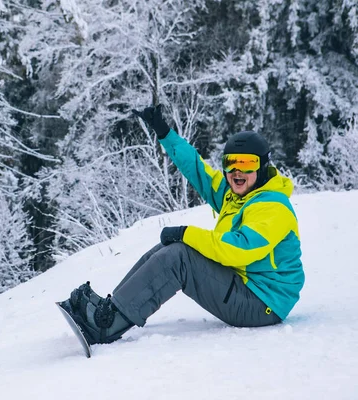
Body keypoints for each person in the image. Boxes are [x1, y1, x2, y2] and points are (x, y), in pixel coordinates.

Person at [59, 105, 305, 345]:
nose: (236, 171)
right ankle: (111, 310)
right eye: (231, 163)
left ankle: (106, 326)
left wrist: (186, 233)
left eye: (247, 164)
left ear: (263, 167)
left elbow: (238, 250)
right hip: (245, 286)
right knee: (168, 247)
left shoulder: (273, 207)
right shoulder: (237, 196)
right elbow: (198, 170)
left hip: (262, 304)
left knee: (179, 256)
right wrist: (165, 133)